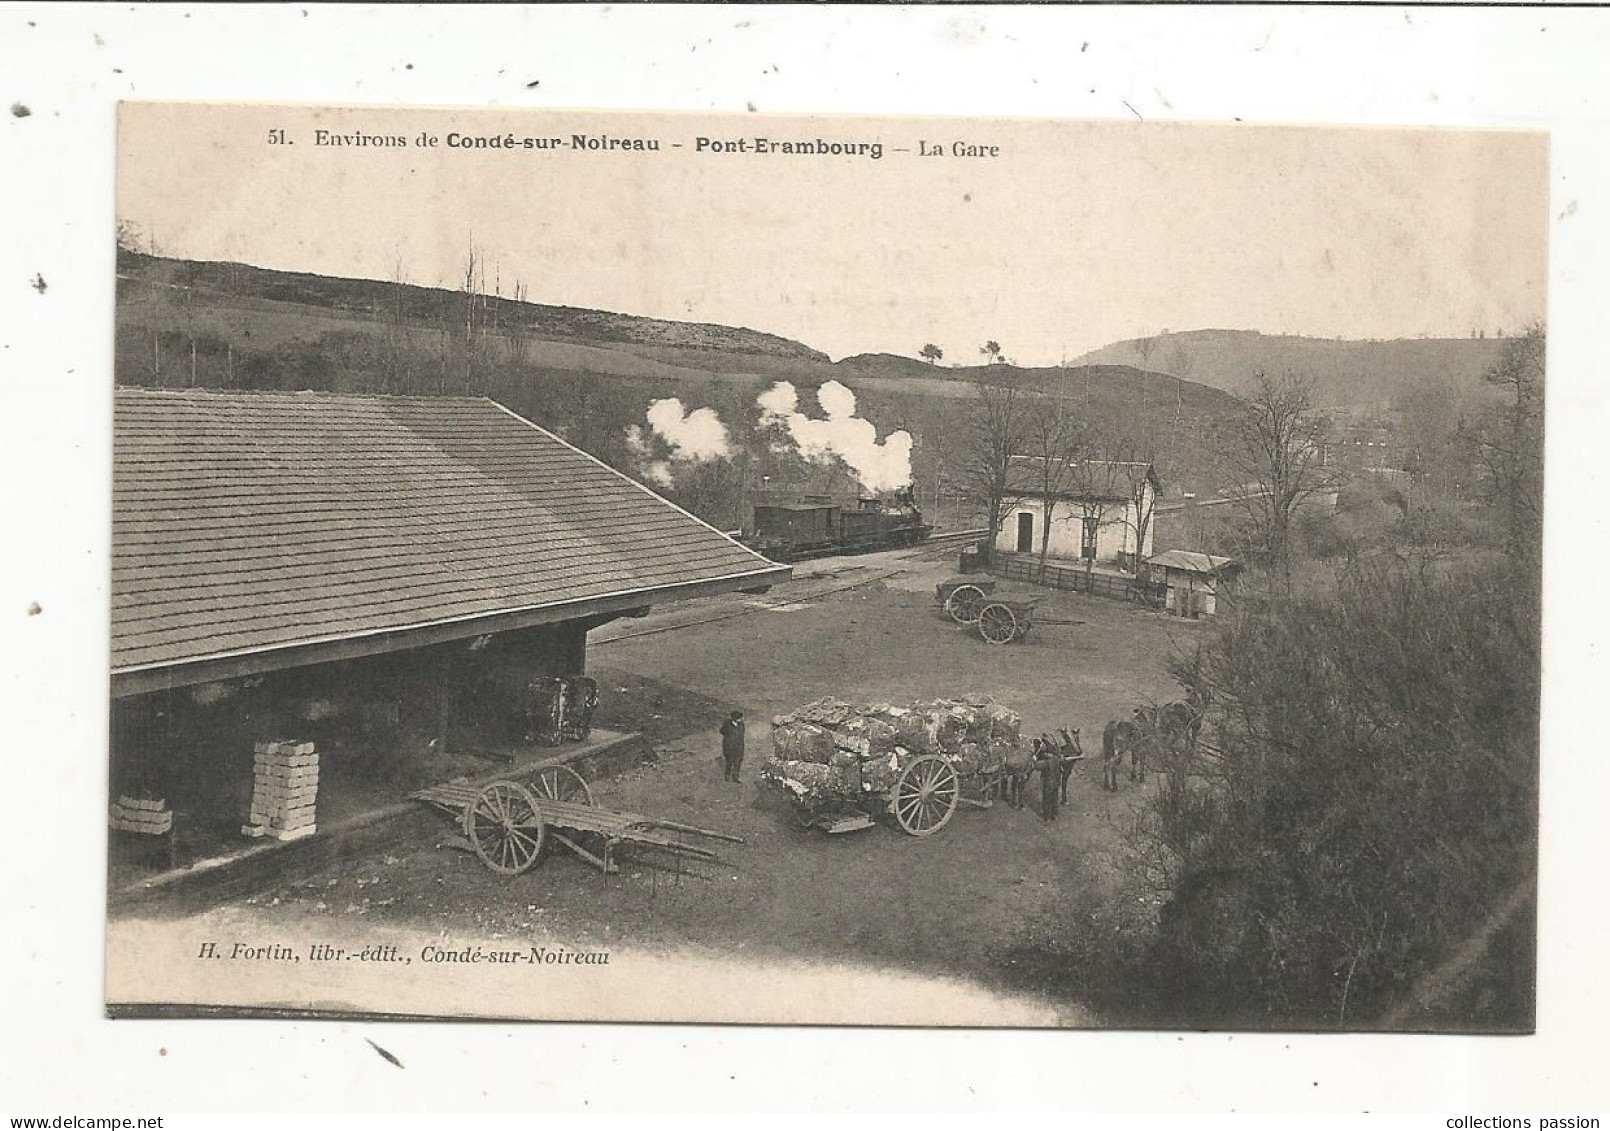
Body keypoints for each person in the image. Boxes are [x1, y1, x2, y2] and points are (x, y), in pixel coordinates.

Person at [1033, 739, 1063, 823]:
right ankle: (1054, 815)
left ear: (1048, 753)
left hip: (1048, 783)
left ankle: (1046, 818)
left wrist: (1034, 758)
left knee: (1046, 799)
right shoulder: (1057, 759)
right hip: (1056, 782)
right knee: (1054, 798)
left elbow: (1036, 766)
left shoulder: (1046, 762)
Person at [720, 710, 746, 782]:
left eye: (740, 718)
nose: (740, 719)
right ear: (734, 719)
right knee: (729, 761)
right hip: (729, 747)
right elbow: (722, 731)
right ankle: (727, 775)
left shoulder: (741, 724)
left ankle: (736, 776)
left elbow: (742, 734)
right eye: (738, 718)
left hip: (739, 746)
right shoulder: (727, 724)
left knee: (738, 762)